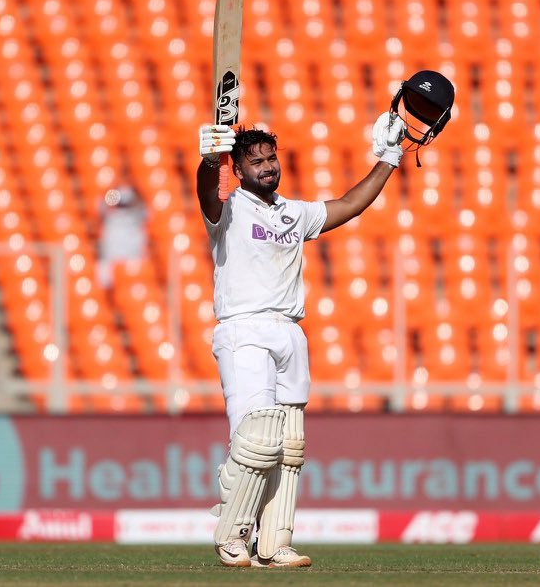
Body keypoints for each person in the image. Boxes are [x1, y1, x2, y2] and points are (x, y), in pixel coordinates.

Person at [196, 71, 454, 569]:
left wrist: (390, 157)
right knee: (258, 438)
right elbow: (209, 191)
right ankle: (232, 535)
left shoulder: (293, 213)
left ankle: (273, 545)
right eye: (257, 162)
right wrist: (210, 159)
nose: (268, 167)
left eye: (271, 158)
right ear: (240, 169)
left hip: (290, 330)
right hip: (244, 327)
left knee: (288, 445)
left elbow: (350, 205)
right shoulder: (227, 212)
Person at [96, 185, 147, 289]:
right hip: (111, 266)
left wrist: (135, 194)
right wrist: (114, 193)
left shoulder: (137, 218)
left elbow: (144, 208)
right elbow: (101, 207)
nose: (123, 207)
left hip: (132, 266)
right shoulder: (109, 219)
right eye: (121, 204)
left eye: (126, 204)